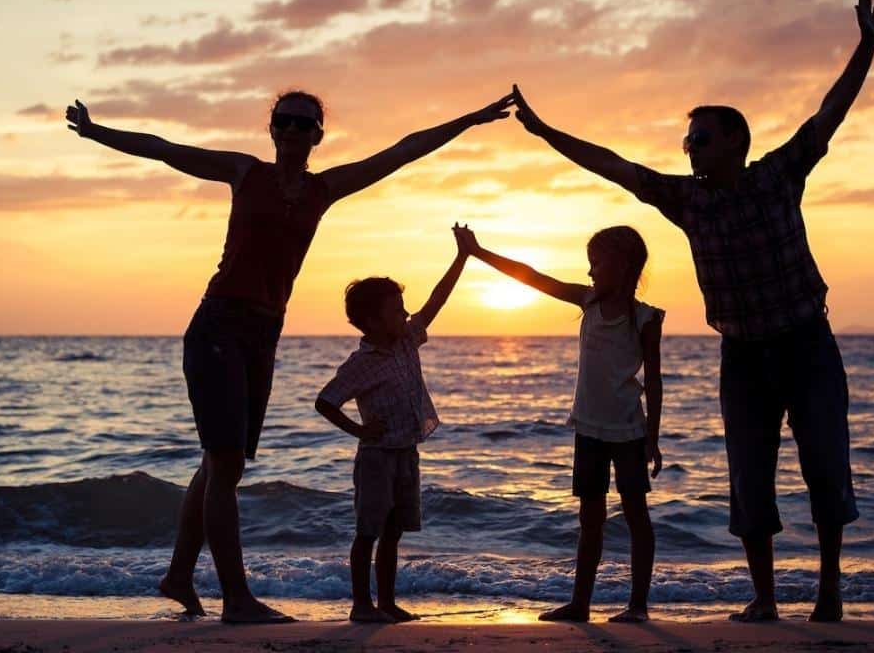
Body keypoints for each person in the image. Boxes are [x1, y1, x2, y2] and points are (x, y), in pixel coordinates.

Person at [64, 93, 514, 623]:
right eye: (285, 121)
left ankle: (180, 574)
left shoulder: (323, 190)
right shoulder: (243, 172)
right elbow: (166, 149)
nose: (294, 130)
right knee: (226, 462)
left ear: (318, 135)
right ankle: (237, 599)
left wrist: (470, 117)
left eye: (305, 123)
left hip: (265, 332)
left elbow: (402, 151)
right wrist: (98, 132)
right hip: (219, 324)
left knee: (218, 460)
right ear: (272, 128)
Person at [507, 0, 874, 623]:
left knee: (824, 465)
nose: (689, 147)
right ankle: (764, 598)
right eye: (686, 139)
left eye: (700, 137)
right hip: (742, 353)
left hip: (806, 343)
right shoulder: (688, 201)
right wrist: (545, 134)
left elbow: (829, 112)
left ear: (735, 140)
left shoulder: (778, 174)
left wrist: (867, 46)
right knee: (748, 476)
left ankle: (829, 591)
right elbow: (616, 166)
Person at [456, 224, 663, 623]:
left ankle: (638, 606)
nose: (589, 273)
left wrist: (652, 438)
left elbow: (653, 381)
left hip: (628, 431)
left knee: (637, 514)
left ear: (621, 265)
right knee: (590, 520)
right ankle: (580, 604)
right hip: (588, 429)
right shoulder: (586, 302)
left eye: (595, 263)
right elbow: (532, 277)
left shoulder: (645, 318)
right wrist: (479, 252)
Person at [314, 225, 471, 623]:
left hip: (406, 452)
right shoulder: (361, 363)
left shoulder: (407, 340)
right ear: (370, 320)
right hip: (376, 458)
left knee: (394, 530)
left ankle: (386, 603)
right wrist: (360, 431)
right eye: (396, 309)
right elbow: (326, 402)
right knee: (368, 530)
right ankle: (361, 605)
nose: (405, 314)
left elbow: (437, 301)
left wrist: (462, 257)